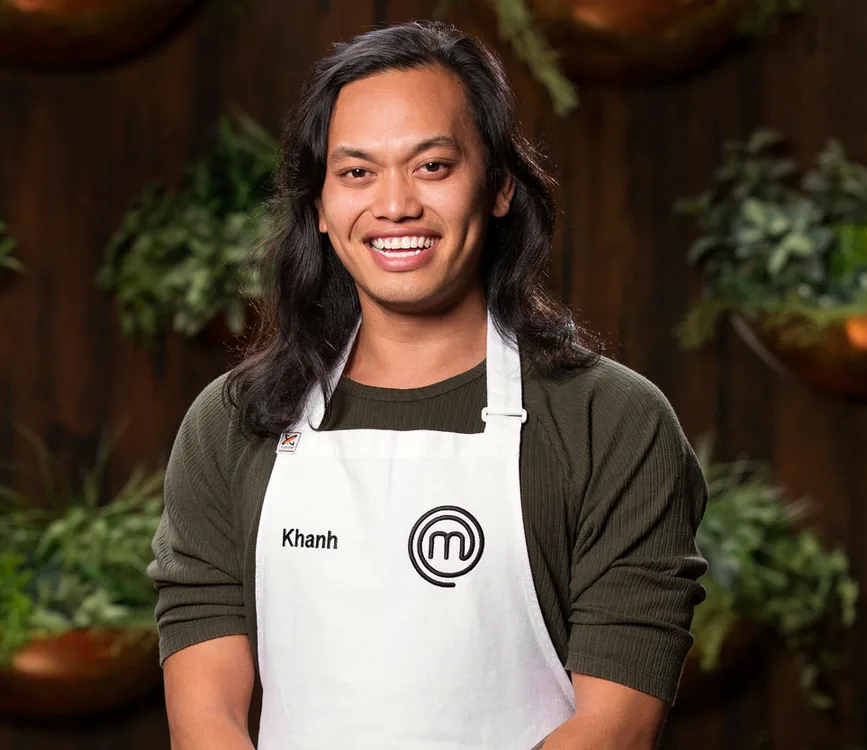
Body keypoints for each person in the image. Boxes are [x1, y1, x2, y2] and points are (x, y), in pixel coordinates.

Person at [148, 20, 708, 750]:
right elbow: (207, 719)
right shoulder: (231, 424)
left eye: (433, 166)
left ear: (499, 186)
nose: (395, 206)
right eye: (357, 173)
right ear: (319, 208)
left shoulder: (613, 422)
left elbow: (614, 728)